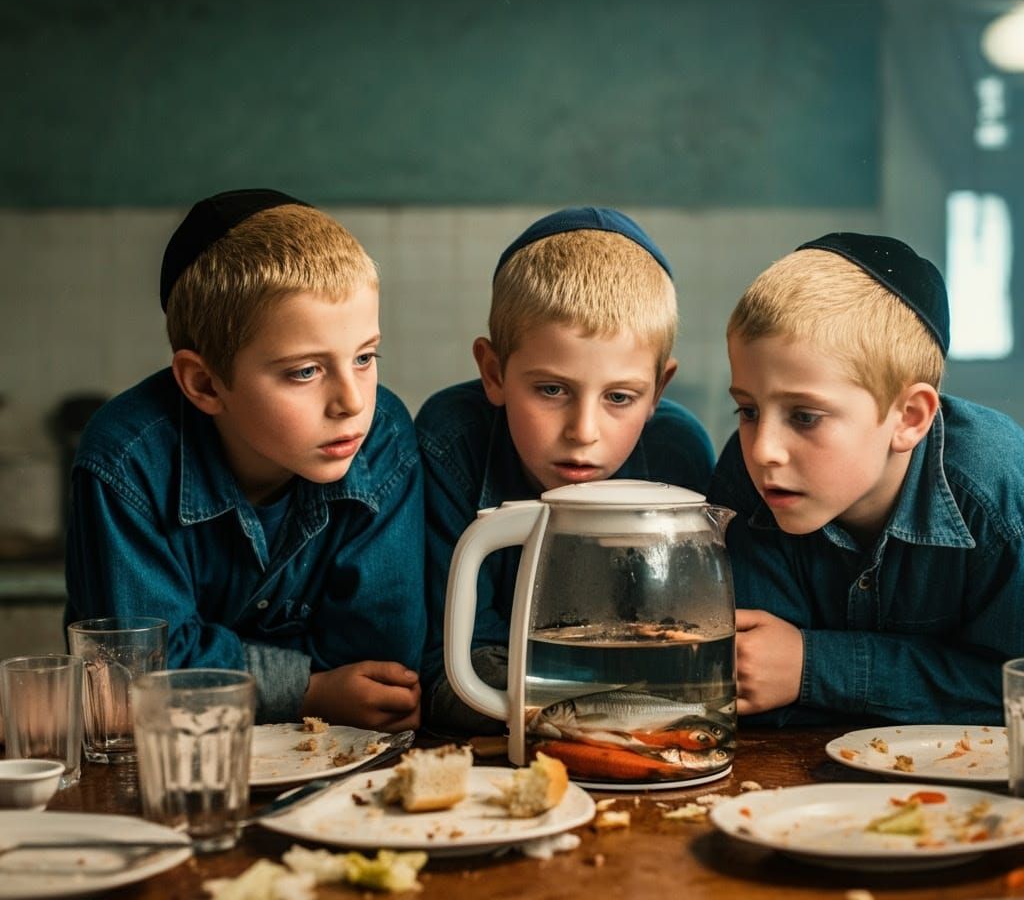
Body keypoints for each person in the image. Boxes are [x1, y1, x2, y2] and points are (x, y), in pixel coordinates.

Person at [65, 189, 424, 730]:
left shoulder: (384, 436)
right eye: (305, 371)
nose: (352, 402)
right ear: (205, 383)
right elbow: (136, 675)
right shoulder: (126, 462)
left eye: (365, 358)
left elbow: (382, 666)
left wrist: (212, 666)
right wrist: (310, 690)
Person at [416, 207, 716, 734]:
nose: (583, 430)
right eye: (552, 390)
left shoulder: (677, 453)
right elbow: (445, 670)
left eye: (620, 397)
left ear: (658, 392)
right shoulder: (452, 443)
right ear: (493, 372)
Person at [707, 231, 1024, 726]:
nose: (763, 449)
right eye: (747, 410)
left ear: (909, 419)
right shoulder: (744, 482)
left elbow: (1014, 694)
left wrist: (815, 666)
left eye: (805, 416)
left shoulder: (995, 490)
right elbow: (757, 693)